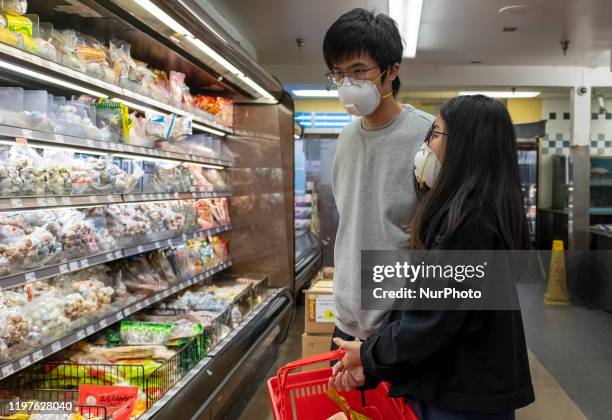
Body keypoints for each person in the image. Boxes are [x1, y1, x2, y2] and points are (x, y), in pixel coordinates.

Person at [330, 95, 536, 419]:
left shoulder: (470, 227)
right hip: (452, 386)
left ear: (467, 148)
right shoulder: (468, 215)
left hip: (460, 400)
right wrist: (372, 366)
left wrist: (370, 356)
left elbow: (431, 321)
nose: (426, 148)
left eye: (437, 135)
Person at [324, 8, 434, 348]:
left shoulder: (429, 135)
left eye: (358, 71)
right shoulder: (345, 138)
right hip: (346, 319)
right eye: (339, 74)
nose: (347, 84)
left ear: (392, 71)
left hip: (401, 323)